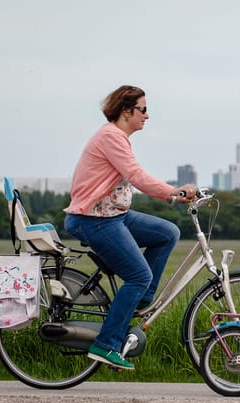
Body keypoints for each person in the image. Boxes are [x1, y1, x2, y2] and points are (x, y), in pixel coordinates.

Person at [63, 85, 198, 371]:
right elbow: (136, 175)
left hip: (114, 215)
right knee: (138, 276)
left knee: (168, 233)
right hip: (94, 220)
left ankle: (139, 301)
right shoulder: (111, 136)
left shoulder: (117, 137)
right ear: (127, 111)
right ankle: (107, 343)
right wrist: (174, 192)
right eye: (144, 109)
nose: (147, 116)